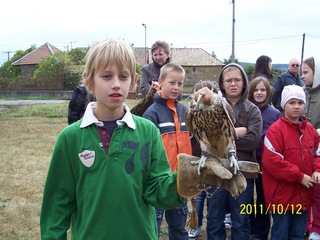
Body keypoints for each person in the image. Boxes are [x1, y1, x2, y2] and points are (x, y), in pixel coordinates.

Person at [40, 39, 186, 240]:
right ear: (89, 80)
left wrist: (188, 177)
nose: (116, 84)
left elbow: (158, 191)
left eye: (123, 76)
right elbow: (57, 207)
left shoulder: (148, 131)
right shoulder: (70, 138)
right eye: (107, 76)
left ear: (134, 81)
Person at [204, 63, 262, 240]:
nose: (233, 84)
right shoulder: (211, 108)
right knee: (214, 219)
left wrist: (222, 138)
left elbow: (253, 141)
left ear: (244, 83)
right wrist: (236, 132)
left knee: (241, 220)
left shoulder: (253, 110)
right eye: (228, 80)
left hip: (242, 174)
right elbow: (206, 139)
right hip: (215, 172)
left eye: (237, 80)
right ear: (222, 84)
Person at [262, 84, 320, 239]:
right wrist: (299, 176)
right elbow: (273, 162)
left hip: (303, 195)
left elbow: (318, 155)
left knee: (298, 234)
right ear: (284, 105)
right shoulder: (275, 131)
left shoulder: (311, 131)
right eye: (292, 102)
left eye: (300, 103)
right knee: (280, 234)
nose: (296, 107)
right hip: (282, 196)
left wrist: (317, 170)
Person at [142, 63, 192, 240]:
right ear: (160, 82)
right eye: (172, 83)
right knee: (152, 229)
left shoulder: (185, 111)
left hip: (179, 180)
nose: (176, 87)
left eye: (180, 83)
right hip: (158, 182)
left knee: (179, 228)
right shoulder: (151, 114)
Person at [248, 76, 281, 240]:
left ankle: (261, 231)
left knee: (262, 198)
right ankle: (249, 227)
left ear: (268, 93)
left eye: (263, 90)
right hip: (246, 161)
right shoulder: (246, 110)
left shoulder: (275, 114)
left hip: (265, 165)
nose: (259, 93)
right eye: (256, 90)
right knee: (246, 198)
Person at [301, 57, 320, 240]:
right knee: (308, 190)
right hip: (306, 150)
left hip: (318, 151)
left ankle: (317, 228)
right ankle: (306, 225)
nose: (302, 75)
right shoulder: (305, 94)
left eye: (306, 72)